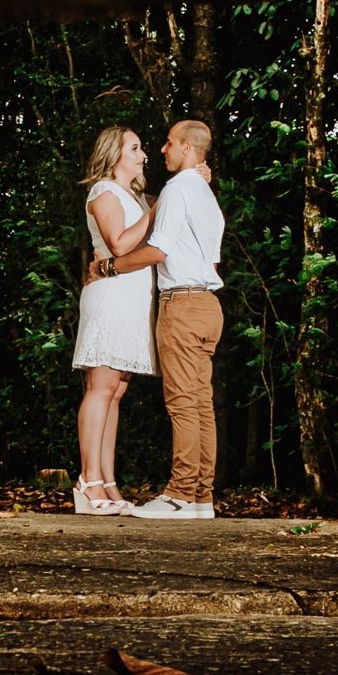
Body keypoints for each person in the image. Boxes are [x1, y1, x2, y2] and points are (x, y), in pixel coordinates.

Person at [90, 120, 225, 520]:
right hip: (208, 305)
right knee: (201, 404)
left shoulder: (178, 189)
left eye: (168, 143)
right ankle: (201, 497)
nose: (161, 150)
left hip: (182, 304)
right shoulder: (204, 194)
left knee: (182, 403)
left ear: (186, 148)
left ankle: (179, 494)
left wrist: (107, 268)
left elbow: (158, 250)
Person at [71, 126, 157, 515]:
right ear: (115, 154)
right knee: (101, 388)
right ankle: (87, 481)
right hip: (110, 297)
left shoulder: (133, 196)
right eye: (135, 148)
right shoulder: (104, 191)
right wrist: (154, 212)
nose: (143, 155)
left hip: (133, 300)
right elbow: (120, 243)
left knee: (116, 392)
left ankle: (107, 481)